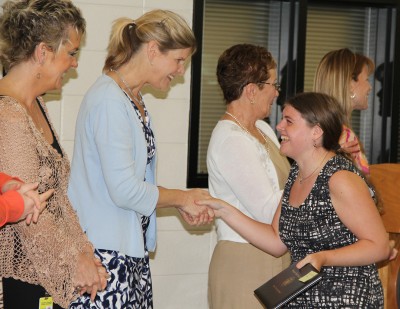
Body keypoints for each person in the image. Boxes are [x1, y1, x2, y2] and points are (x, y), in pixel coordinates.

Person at [67, 10, 213, 308]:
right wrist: (181, 198)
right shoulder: (109, 100)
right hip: (104, 256)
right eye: (178, 60)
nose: (181, 71)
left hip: (125, 251)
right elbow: (124, 190)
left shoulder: (132, 97)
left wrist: (177, 202)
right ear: (153, 50)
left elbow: (138, 183)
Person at [199, 92, 391, 307]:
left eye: (289, 121)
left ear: (316, 132)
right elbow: (276, 241)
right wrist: (223, 210)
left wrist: (324, 257)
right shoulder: (296, 176)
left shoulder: (340, 178)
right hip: (305, 298)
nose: (279, 126)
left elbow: (379, 246)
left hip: (345, 298)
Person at [0, 1, 108, 308]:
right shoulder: (8, 113)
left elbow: (58, 197)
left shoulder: (36, 105)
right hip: (22, 283)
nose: (74, 63)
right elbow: (29, 215)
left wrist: (85, 253)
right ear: (42, 53)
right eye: (71, 52)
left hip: (46, 277)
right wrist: (75, 263)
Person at [207, 44, 290, 309]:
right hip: (245, 263)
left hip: (276, 258)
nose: (277, 93)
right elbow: (267, 212)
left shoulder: (263, 129)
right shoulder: (230, 140)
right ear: (252, 91)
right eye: (273, 85)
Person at [313, 48, 375, 176]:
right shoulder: (344, 136)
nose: (370, 87)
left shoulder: (317, 129)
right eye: (367, 79)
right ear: (351, 84)